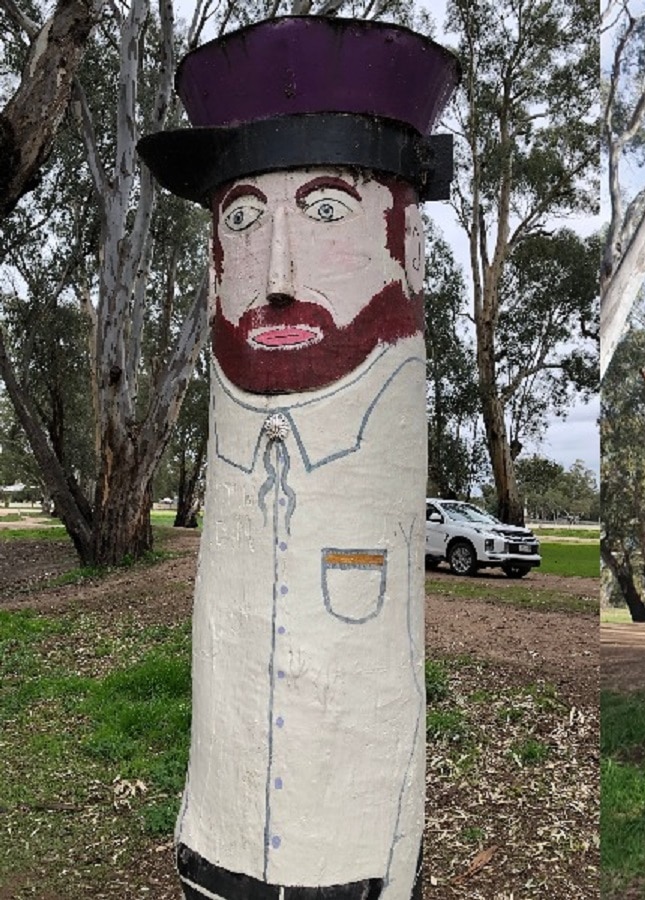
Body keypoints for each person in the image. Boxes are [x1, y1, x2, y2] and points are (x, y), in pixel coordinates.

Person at [137, 16, 458, 900]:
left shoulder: (383, 426)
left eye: (324, 212)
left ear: (407, 246)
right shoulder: (230, 434)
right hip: (215, 847)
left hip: (358, 867)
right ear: (214, 262)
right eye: (244, 219)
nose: (277, 273)